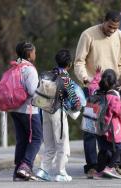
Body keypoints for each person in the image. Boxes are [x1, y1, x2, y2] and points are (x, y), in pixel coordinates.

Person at [74, 10, 121, 178]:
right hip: (93, 90)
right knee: (91, 129)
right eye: (110, 26)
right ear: (103, 21)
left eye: (115, 27)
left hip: (113, 90)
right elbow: (79, 62)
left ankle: (113, 165)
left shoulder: (120, 36)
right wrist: (85, 78)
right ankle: (92, 166)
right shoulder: (88, 34)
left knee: (114, 128)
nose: (112, 30)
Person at [36, 49, 81, 182]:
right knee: (62, 143)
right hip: (58, 113)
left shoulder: (48, 74)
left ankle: (43, 171)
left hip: (45, 111)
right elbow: (74, 99)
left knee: (49, 144)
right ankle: (61, 172)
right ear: (69, 64)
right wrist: (77, 106)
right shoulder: (65, 78)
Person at [87, 69, 121, 179]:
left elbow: (92, 85)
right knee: (120, 146)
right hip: (112, 128)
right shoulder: (113, 97)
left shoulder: (96, 92)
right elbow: (120, 110)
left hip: (98, 127)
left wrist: (97, 75)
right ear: (114, 83)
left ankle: (99, 172)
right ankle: (110, 168)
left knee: (103, 149)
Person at [11, 41, 43, 181]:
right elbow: (31, 91)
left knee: (22, 140)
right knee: (36, 138)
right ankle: (26, 166)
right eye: (34, 52)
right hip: (28, 110)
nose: (35, 54)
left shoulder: (15, 66)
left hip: (15, 109)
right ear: (30, 54)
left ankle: (18, 172)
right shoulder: (29, 69)